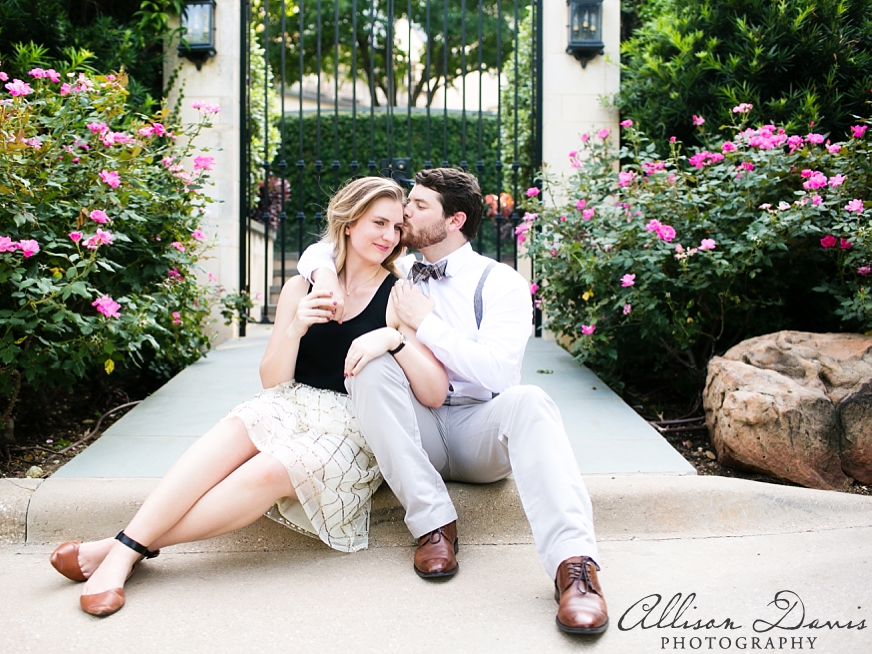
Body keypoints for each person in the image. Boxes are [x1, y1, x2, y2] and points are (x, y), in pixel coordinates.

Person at [49, 176, 449, 617]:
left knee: (270, 470)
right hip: (293, 402)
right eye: (379, 223)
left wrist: (392, 337)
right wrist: (295, 326)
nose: (389, 236)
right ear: (349, 222)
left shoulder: (398, 294)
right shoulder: (302, 287)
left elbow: (433, 392)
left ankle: (119, 550)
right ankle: (126, 552)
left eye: (396, 227)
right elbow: (273, 381)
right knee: (237, 426)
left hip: (353, 430)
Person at [297, 167, 608, 634]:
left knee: (532, 401)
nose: (404, 212)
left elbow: (499, 372)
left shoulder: (500, 282)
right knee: (369, 367)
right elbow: (326, 246)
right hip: (416, 422)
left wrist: (425, 325)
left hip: (480, 427)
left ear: (455, 219)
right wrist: (324, 275)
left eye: (419, 206)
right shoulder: (398, 265)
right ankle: (434, 526)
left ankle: (575, 570)